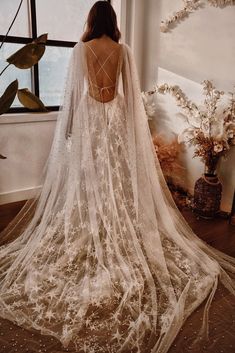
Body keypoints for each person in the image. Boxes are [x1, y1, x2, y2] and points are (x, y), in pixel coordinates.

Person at [0, 2, 234, 353]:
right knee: (116, 174)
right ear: (112, 21)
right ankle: (114, 219)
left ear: (92, 21)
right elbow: (129, 101)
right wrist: (129, 131)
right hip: (113, 119)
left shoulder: (82, 49)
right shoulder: (123, 50)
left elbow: (76, 94)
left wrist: (72, 129)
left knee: (89, 174)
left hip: (91, 118)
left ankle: (92, 219)